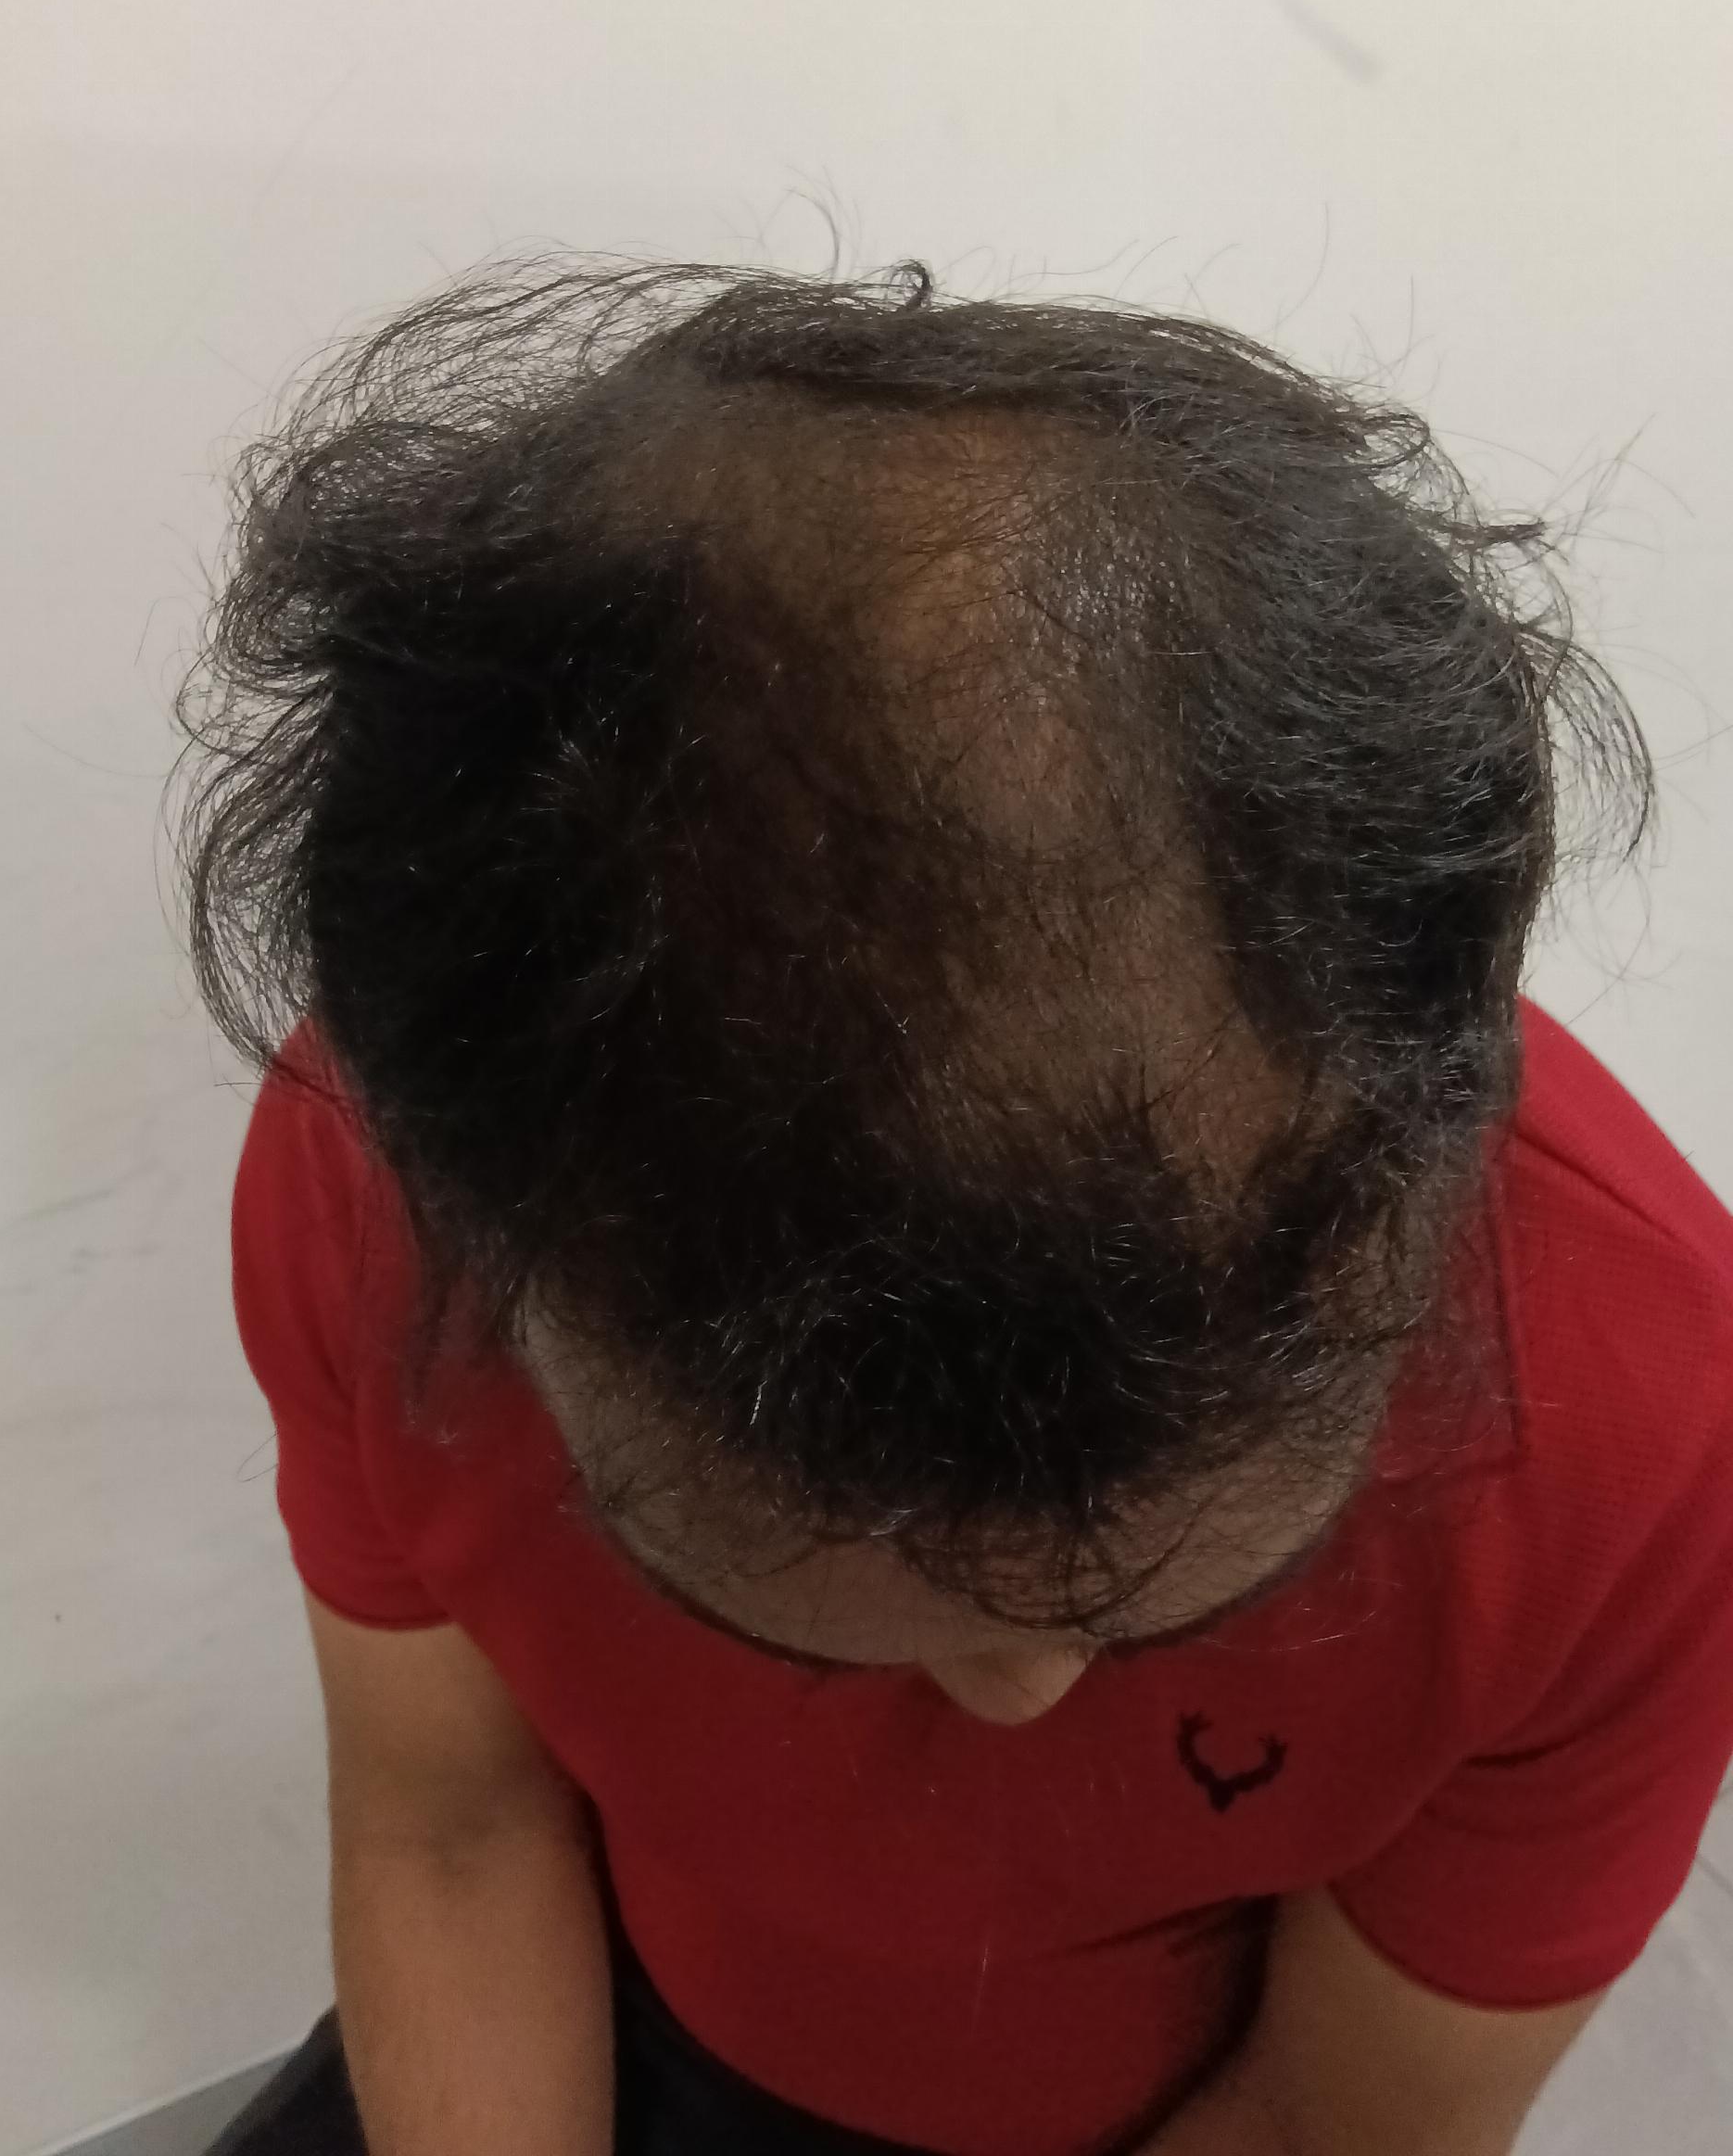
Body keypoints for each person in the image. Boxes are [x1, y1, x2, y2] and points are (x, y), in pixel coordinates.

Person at [171, 257, 1733, 2156]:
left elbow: (1337, 2119)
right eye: (818, 1624)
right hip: (585, 1997)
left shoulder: (1650, 1432)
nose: (1023, 1691)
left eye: (1173, 1593)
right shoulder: (387, 1166)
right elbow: (454, 1826)